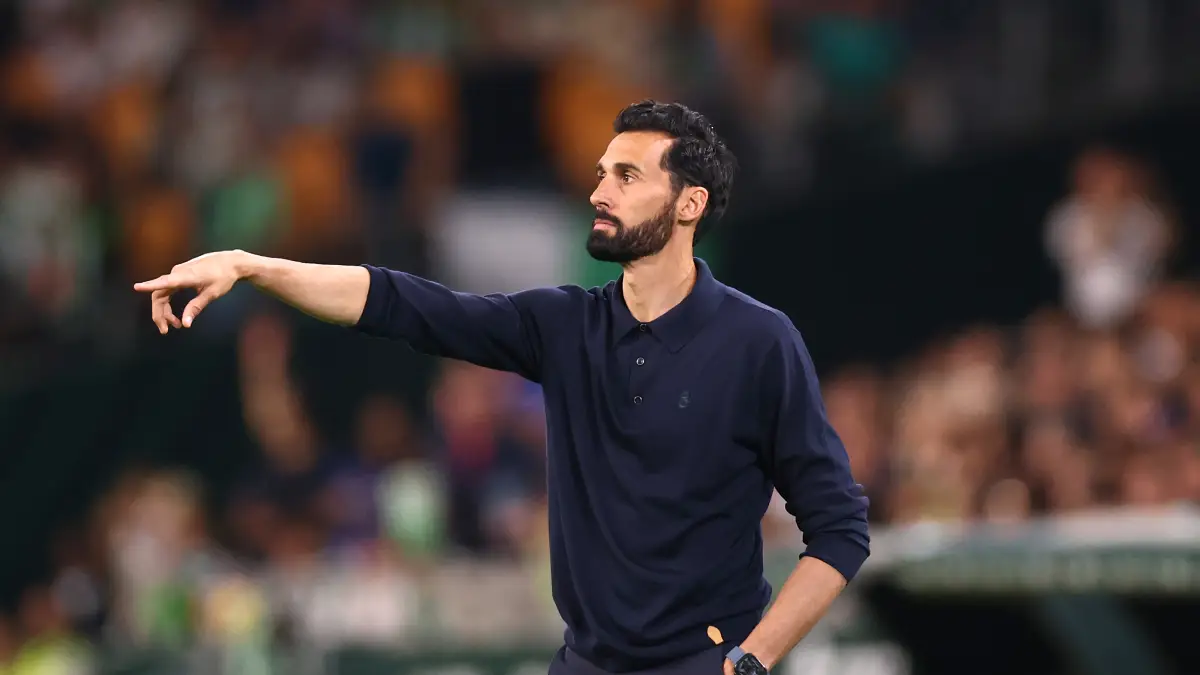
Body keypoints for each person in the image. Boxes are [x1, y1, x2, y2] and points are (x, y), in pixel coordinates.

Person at [135, 100, 869, 675]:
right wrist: (254, 264)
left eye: (626, 176)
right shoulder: (563, 323)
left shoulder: (758, 341)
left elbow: (838, 529)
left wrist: (752, 658)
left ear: (689, 204)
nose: (598, 191)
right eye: (600, 172)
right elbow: (401, 303)